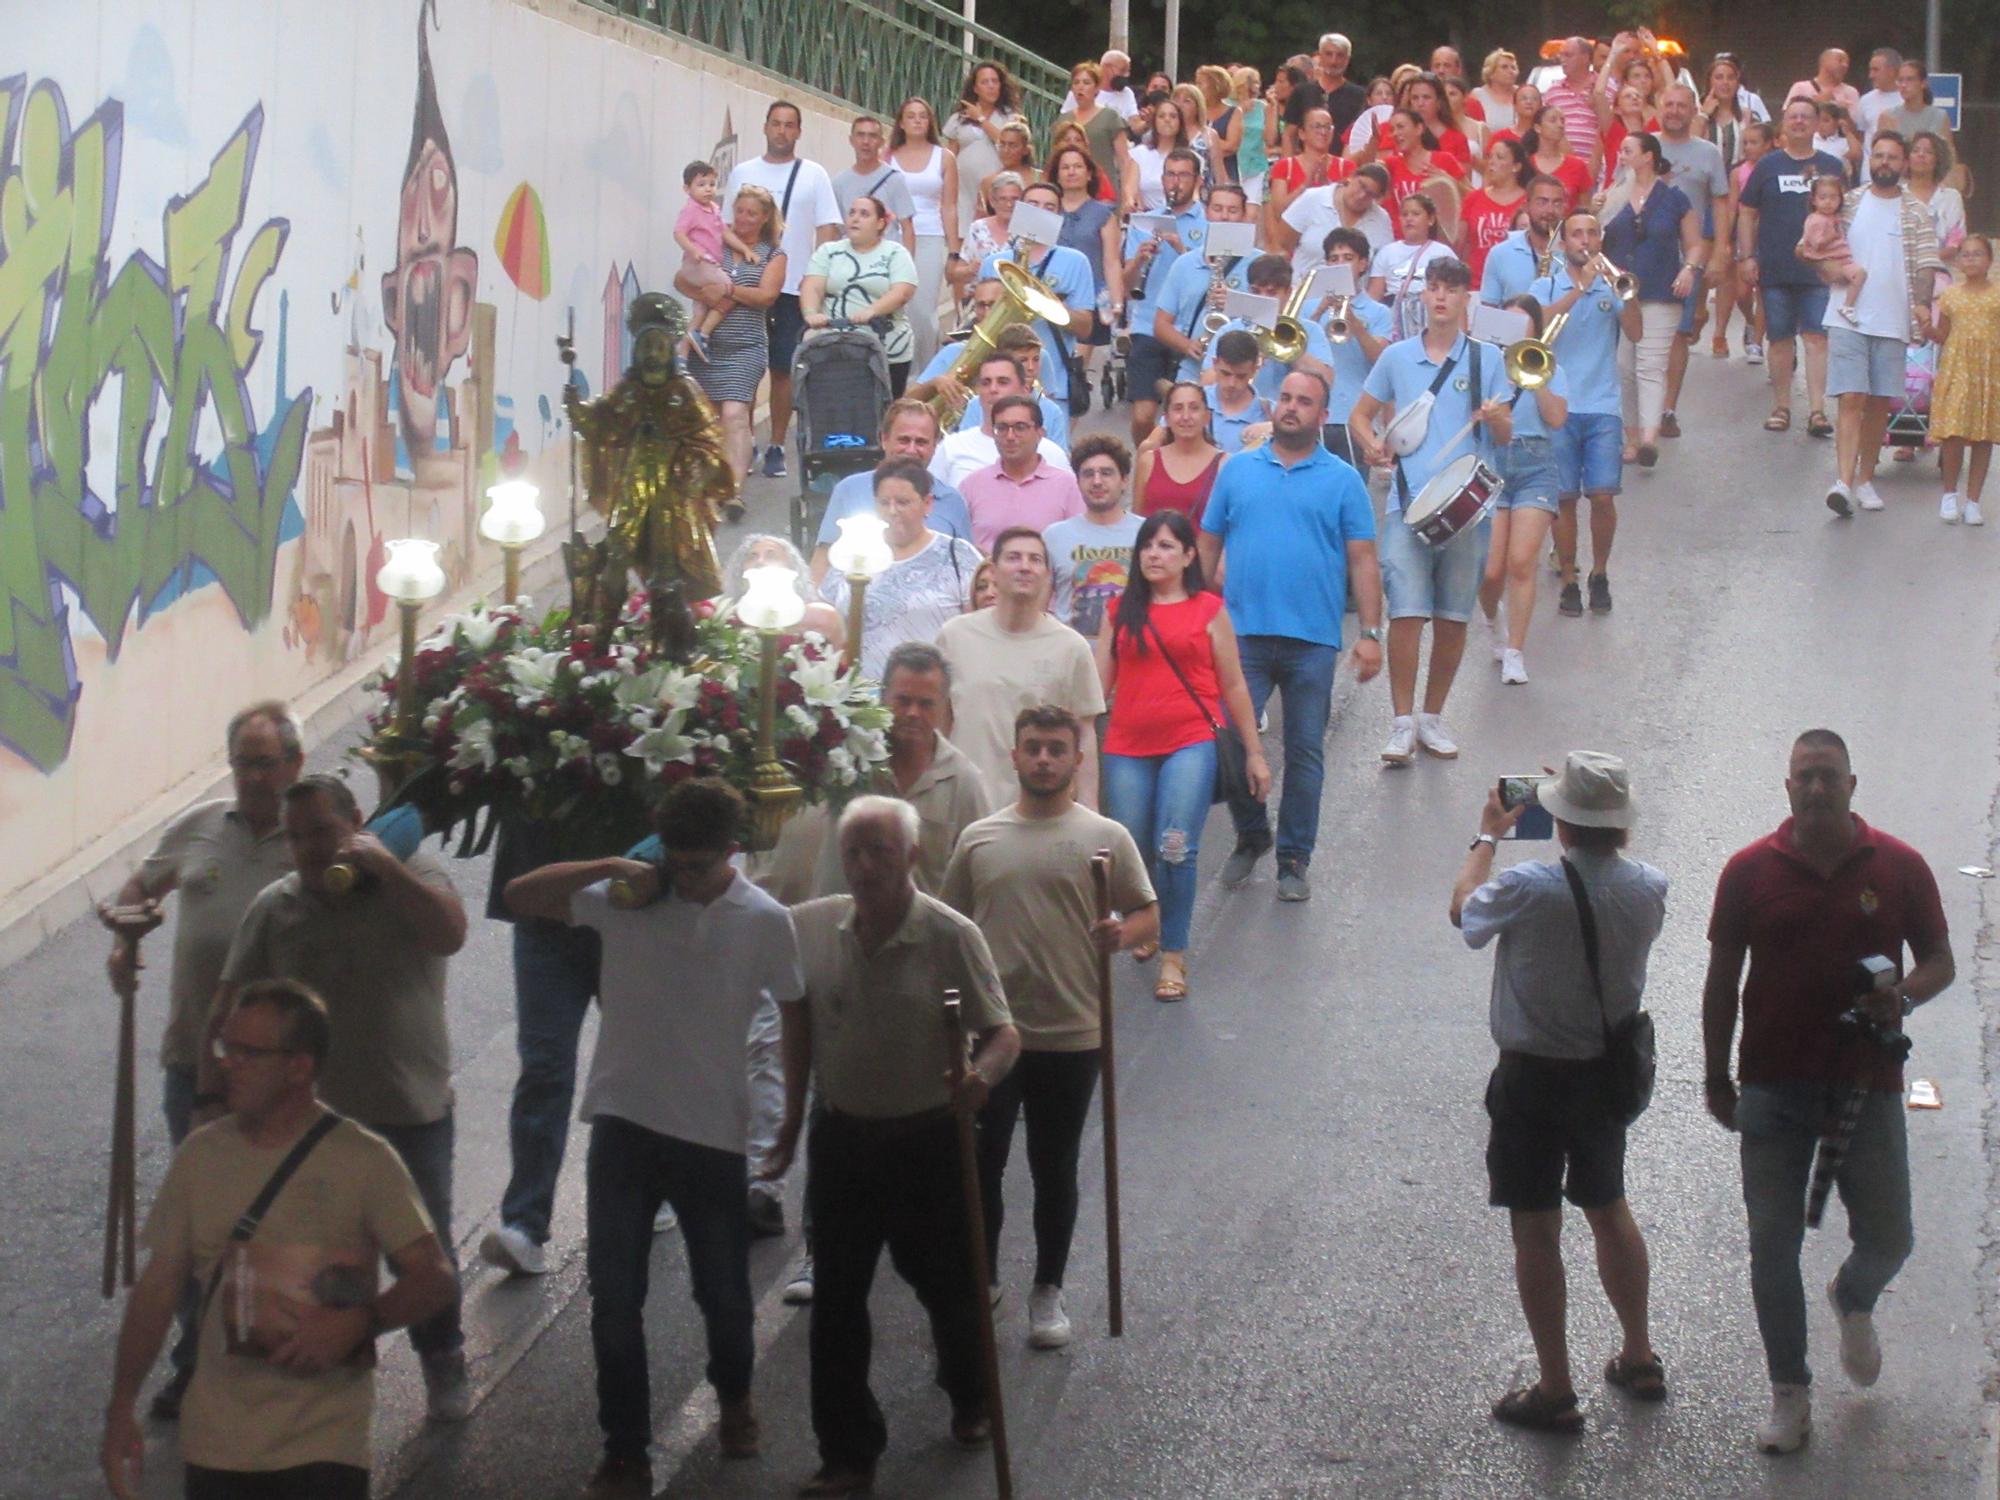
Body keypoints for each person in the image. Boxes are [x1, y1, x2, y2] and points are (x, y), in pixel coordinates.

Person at [503, 779, 804, 1499]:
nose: (686, 878)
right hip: (622, 1124)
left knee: (725, 1295)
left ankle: (735, 1396)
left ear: (732, 852)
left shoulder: (763, 919)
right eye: (675, 860)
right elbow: (521, 896)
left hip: (712, 1135)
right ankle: (624, 1446)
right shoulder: (628, 901)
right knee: (613, 1297)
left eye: (700, 865)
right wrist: (611, 866)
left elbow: (796, 1011)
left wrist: (789, 1117)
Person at [100, 980, 458, 1500]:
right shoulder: (201, 1157)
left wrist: (362, 1321)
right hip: (215, 1445)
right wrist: (120, 1408)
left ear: (300, 1067)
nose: (228, 1063)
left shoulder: (364, 1161)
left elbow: (435, 1278)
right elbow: (157, 1289)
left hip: (323, 1446)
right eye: (227, 1046)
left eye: (250, 1052)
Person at [1701, 729, 1955, 1454]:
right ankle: (1790, 1393)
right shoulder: (1749, 870)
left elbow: (1939, 960)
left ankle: (1853, 1296)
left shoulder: (1899, 866)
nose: (1816, 788)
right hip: (1773, 1087)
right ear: (1787, 789)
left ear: (1852, 785)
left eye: (1829, 777)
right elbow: (1722, 980)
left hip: (1866, 1082)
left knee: (1891, 1236)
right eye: (1804, 777)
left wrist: (1901, 998)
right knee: (1770, 1245)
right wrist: (1717, 1076)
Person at [203, 774, 470, 1422]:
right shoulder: (278, 905)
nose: (310, 849)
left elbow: (450, 933)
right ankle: (330, 1388)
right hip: (314, 1118)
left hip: (409, 1107)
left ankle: (443, 1357)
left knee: (422, 1247)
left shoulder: (414, 877)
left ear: (356, 821)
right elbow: (230, 1005)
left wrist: (386, 867)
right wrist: (211, 1097)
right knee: (322, 1257)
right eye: (296, 838)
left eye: (322, 831)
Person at [781, 797, 1019, 1497]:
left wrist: (980, 1078)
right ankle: (848, 1454)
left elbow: (1004, 1033)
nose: (865, 866)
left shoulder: (950, 934)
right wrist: (790, 1123)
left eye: (880, 850)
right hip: (846, 1139)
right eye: (854, 851)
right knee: (838, 1300)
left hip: (930, 1143)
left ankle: (971, 1393)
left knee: (947, 1286)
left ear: (911, 856)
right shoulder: (814, 929)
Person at [1450, 752, 1669, 1434]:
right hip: (1604, 1074)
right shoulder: (1649, 888)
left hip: (1533, 1078)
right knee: (1608, 1206)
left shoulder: (1529, 888)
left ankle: (1555, 1384)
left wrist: (1487, 835)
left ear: (1563, 824)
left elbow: (1463, 913)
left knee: (1536, 1225)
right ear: (1623, 827)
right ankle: (1638, 1353)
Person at [103, 702, 301, 1420]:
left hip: (282, 1074)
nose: (254, 777)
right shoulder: (199, 828)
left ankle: (274, 1364)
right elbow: (139, 890)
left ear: (294, 766)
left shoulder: (309, 837)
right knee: (196, 1221)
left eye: (267, 763)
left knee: (273, 1224)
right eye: (244, 762)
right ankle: (196, 1363)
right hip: (193, 1058)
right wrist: (125, 943)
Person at [944, 707, 1156, 1344]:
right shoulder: (978, 838)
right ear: (1013, 756)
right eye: (1032, 748)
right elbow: (949, 928)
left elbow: (1150, 915)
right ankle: (984, 1279)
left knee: (1054, 1163)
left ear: (1076, 759)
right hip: (992, 1031)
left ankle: (1048, 1288)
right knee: (982, 1159)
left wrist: (1121, 935)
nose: (1043, 759)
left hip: (1073, 1030)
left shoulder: (1106, 837)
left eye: (1055, 749)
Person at [1198, 370, 1384, 900]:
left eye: (1304, 402)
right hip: (1242, 637)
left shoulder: (1344, 480)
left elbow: (1363, 561)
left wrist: (1371, 632)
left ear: (1323, 417)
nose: (1291, 408)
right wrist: (1192, 617)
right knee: (1232, 742)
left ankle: (1294, 858)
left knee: (1304, 752)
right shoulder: (1236, 472)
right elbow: (1207, 546)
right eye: (1285, 398)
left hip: (1312, 640)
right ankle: (1252, 835)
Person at [1096, 512, 1267, 999]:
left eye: (1168, 546)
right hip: (1127, 744)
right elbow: (1096, 686)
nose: (1155, 554)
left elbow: (1233, 685)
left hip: (1190, 740)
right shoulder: (1118, 610)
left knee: (1176, 844)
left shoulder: (1208, 609)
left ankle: (1174, 952)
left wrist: (1254, 753)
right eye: (1148, 546)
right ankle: (1146, 923)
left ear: (1190, 556)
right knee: (1135, 849)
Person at [1350, 257, 1512, 765]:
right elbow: (1360, 414)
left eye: (1451, 289)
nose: (1441, 298)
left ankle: (1433, 717)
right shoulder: (1397, 357)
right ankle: (1401, 723)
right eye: (1433, 289)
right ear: (1423, 296)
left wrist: (1496, 416)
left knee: (1452, 617)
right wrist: (1373, 443)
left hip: (1468, 509)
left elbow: (1504, 437)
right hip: (1408, 503)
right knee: (1408, 613)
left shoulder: (1487, 360)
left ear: (1467, 298)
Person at [937, 526, 1107, 810]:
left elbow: (1085, 733)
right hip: (962, 804)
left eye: (1035, 560)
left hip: (1039, 810)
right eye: (1014, 557)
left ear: (1047, 575)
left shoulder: (1071, 647)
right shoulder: (953, 637)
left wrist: (1090, 808)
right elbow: (940, 723)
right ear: (994, 569)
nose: (1025, 567)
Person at [1824, 133, 1943, 516]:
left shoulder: (1915, 210)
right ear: (1870, 160)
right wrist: (1828, 268)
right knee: (1851, 397)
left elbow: (1926, 262)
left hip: (1893, 320)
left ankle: (1866, 478)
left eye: (1892, 157)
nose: (1885, 163)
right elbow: (1816, 246)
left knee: (1878, 405)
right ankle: (1843, 481)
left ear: (1904, 163)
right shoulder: (1850, 203)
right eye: (1878, 156)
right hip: (1847, 316)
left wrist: (1923, 306)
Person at [725, 101, 842, 479]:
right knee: (744, 365)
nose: (781, 131)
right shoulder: (743, 172)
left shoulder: (814, 174)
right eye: (775, 124)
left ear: (799, 131)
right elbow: (727, 226)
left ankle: (776, 442)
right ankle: (744, 438)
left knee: (782, 368)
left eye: (789, 125)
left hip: (793, 287)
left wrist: (817, 282)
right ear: (764, 127)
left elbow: (826, 230)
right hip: (745, 283)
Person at [1535, 210, 1639, 616]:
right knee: (1563, 499)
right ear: (1564, 245)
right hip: (1559, 404)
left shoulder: (1613, 284)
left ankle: (1599, 572)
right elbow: (1537, 325)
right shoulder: (1546, 285)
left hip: (1602, 406)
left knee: (1602, 495)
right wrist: (1580, 287)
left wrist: (1626, 295)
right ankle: (1568, 578)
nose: (1585, 241)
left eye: (1592, 234)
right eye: (1576, 234)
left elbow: (1636, 332)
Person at [1737, 99, 1845, 437]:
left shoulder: (1832, 166)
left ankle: (1817, 411)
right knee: (1780, 338)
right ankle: (1781, 406)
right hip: (1775, 268)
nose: (1799, 122)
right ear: (1783, 124)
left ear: (1817, 124)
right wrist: (1747, 255)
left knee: (1817, 338)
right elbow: (1747, 211)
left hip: (1818, 271)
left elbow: (1848, 213)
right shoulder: (1767, 166)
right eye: (1793, 117)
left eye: (1806, 117)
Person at [1477, 293, 1568, 684]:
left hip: (1535, 463)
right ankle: (1493, 620)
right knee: (1490, 568)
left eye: (1523, 324)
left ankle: (1515, 650)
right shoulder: (1484, 364)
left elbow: (1557, 418)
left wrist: (1536, 377)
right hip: (1495, 464)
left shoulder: (1549, 365)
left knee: (1521, 561)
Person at [820, 457, 982, 678]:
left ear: (927, 504)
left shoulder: (957, 555)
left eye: (903, 502)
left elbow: (978, 629)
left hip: (931, 695)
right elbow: (827, 622)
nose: (892, 511)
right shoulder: (851, 554)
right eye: (884, 503)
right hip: (861, 699)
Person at [1601, 133, 1698, 469]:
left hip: (1660, 289)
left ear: (1648, 157)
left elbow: (1695, 244)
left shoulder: (1675, 198)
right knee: (1623, 366)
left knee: (1650, 365)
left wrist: (1689, 268)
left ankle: (1647, 439)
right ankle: (1630, 436)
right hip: (1620, 292)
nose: (1622, 155)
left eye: (1628, 150)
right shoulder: (1613, 196)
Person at [689, 185, 788, 486]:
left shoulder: (772, 253)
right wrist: (708, 293)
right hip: (707, 348)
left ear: (765, 217)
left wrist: (729, 290)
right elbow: (682, 280)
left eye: (752, 213)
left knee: (734, 414)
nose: (744, 219)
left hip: (746, 346)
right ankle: (712, 482)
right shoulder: (713, 241)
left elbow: (766, 296)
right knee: (711, 421)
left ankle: (732, 490)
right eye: (740, 211)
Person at [811, 400, 971, 582]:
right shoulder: (849, 491)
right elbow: (822, 562)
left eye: (921, 442)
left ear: (935, 445)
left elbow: (966, 572)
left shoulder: (952, 500)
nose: (911, 450)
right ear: (884, 439)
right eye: (903, 440)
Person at [977, 181, 1095, 413]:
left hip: (1053, 385)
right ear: (1020, 209)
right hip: (1000, 384)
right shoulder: (994, 263)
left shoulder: (1076, 261)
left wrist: (1044, 303)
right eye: (1032, 205)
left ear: (1059, 215)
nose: (1040, 212)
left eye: (1049, 207)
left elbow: (1085, 328)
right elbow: (980, 321)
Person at [1656, 85, 1731, 434]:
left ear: (1692, 111)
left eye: (1681, 105)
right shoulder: (1642, 145)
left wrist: (1720, 251)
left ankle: (1667, 409)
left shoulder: (1708, 153)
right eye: (1668, 104)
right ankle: (1639, 406)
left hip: (1689, 255)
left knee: (1678, 333)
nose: (1674, 111)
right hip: (1644, 254)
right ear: (1658, 108)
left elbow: (1720, 201)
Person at [1119, 148, 1206, 444]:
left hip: (1190, 329)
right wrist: (1139, 260)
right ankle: (1145, 460)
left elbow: (1212, 274)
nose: (1175, 183)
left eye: (1183, 175)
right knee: (1143, 416)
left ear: (1197, 180)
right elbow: (1126, 285)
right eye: (1170, 174)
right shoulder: (1145, 222)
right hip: (1147, 324)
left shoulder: (1209, 222)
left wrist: (1184, 251)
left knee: (1189, 416)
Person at [800, 197, 920, 395]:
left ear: (880, 223)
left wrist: (872, 311)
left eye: (864, 214)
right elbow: (812, 286)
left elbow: (902, 292)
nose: (855, 219)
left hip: (888, 348)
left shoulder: (895, 253)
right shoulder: (829, 251)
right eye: (852, 213)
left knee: (885, 410)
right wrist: (811, 313)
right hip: (835, 346)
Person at [1199, 253, 1336, 401]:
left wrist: (1288, 348)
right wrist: (1247, 350)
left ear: (1288, 293)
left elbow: (1326, 382)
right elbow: (1206, 383)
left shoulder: (1309, 330)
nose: (1262, 298)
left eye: (1271, 293)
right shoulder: (1230, 330)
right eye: (1256, 292)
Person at [959, 394, 1085, 553]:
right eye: (1002, 428)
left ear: (1040, 433)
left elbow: (1079, 547)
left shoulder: (1068, 486)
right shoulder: (971, 486)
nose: (1010, 436)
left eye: (1020, 427)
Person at [1154, 184, 1254, 383]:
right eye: (1217, 209)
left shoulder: (1259, 263)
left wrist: (1237, 303)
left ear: (1243, 216)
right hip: (1193, 371)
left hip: (1244, 374)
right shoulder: (1184, 264)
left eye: (1232, 210)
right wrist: (1187, 345)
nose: (1224, 217)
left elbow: (1274, 316)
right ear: (1206, 213)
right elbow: (1161, 325)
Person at [1045, 434, 1143, 636]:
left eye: (1106, 473)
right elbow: (1037, 606)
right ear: (1078, 481)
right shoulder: (1053, 537)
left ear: (1124, 480)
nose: (1097, 482)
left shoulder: (1147, 533)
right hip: (1073, 659)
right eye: (1088, 474)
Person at [888, 96, 959, 372]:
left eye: (923, 116)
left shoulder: (945, 157)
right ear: (901, 123)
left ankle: (926, 372)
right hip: (893, 237)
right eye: (911, 116)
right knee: (896, 305)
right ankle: (898, 369)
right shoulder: (889, 156)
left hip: (930, 235)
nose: (917, 120)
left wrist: (954, 252)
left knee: (923, 309)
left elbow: (949, 206)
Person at [1933, 233, 2000, 525]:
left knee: (1983, 435)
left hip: (1989, 370)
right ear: (1958, 261)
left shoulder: (1997, 294)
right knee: (1954, 432)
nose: (1971, 259)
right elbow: (1942, 335)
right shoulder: (1951, 295)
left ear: (1990, 261)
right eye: (1966, 254)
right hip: (1957, 367)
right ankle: (1949, 494)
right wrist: (1925, 326)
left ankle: (1973, 500)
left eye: (1978, 254)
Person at [1311, 229, 1395, 465]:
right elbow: (1293, 348)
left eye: (1347, 258)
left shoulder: (1379, 312)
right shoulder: (1309, 307)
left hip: (1354, 417)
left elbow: (1380, 359)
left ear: (1363, 264)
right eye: (1333, 259)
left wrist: (1354, 323)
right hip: (1314, 417)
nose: (1340, 264)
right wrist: (1318, 311)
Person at [930, 352, 1071, 489]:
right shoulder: (951, 448)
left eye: (1003, 382)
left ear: (1025, 390)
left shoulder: (1052, 454)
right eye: (985, 383)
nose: (993, 389)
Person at [1050, 143, 1124, 393]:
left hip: (1087, 300)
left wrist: (1117, 303)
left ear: (1089, 173)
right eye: (1065, 167)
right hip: (1049, 296)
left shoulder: (1103, 214)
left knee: (1073, 369)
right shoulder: (1045, 208)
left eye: (1078, 166)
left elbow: (1111, 261)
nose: (1071, 172)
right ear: (1057, 174)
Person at [674, 161, 758, 360]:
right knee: (728, 289)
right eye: (701, 185)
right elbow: (679, 233)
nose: (708, 189)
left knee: (701, 309)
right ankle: (703, 334)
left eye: (711, 184)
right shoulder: (691, 210)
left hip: (709, 265)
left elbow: (724, 233)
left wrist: (744, 249)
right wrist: (692, 250)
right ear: (687, 188)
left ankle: (682, 353)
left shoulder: (713, 208)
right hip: (699, 264)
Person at [945, 61, 1023, 238]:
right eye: (985, 82)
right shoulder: (959, 118)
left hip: (996, 193)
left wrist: (980, 118)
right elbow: (950, 155)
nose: (991, 86)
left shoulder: (1010, 117)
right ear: (975, 88)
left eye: (995, 81)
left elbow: (1006, 141)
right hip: (962, 192)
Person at [1276, 164, 1394, 280]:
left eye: (1370, 194)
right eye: (1361, 186)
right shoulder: (1312, 199)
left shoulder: (1381, 219)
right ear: (1352, 177)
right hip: (1303, 291)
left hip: (1354, 297)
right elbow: (1280, 245)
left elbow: (1383, 267)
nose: (1361, 195)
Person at [1135, 382, 1226, 528]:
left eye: (1194, 408)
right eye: (1178, 409)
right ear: (1167, 418)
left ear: (1207, 416)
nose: (1186, 416)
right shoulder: (1148, 461)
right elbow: (1136, 523)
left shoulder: (1225, 465)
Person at [1368, 193, 1456, 340]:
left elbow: (1454, 295)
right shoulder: (1386, 252)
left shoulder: (1444, 253)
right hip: (1394, 323)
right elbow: (1374, 297)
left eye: (1415, 214)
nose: (1409, 218)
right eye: (1404, 214)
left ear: (1430, 220)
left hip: (1431, 322)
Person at [1263, 108, 1353, 249]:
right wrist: (1306, 185)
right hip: (1294, 245)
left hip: (1336, 245)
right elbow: (1279, 212)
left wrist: (1327, 186)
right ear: (1302, 133)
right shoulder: (1285, 167)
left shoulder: (1346, 167)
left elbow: (1351, 210)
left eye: (1327, 127)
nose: (1323, 132)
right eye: (1317, 126)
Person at [1480, 173, 1571, 306]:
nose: (1550, 210)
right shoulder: (1499, 254)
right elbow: (1488, 311)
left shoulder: (1575, 254)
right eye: (1542, 202)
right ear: (1526, 206)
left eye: (1557, 203)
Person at [831, 116, 917, 249]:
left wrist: (907, 265)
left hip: (885, 260)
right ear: (851, 140)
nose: (866, 142)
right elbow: (836, 230)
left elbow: (907, 228)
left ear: (881, 142)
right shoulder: (839, 182)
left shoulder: (894, 179)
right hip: (851, 260)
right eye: (860, 135)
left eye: (872, 136)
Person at [1796, 174, 1866, 325]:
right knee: (1859, 274)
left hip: (1841, 257)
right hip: (1833, 258)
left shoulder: (1834, 217)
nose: (1828, 202)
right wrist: (1831, 236)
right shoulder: (1815, 220)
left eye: (1833, 198)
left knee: (1859, 274)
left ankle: (1848, 304)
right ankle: (1848, 305)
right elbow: (1814, 242)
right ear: (1814, 200)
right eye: (1823, 197)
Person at [1459, 138, 1530, 285]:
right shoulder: (1473, 198)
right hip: (1476, 283)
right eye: (1490, 157)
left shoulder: (1528, 201)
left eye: (1500, 157)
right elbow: (1461, 244)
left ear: (1516, 166)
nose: (1491, 162)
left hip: (1515, 283)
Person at [1058, 61, 1133, 193]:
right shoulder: (1063, 120)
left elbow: (1124, 160)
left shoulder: (1110, 117)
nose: (1080, 87)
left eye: (1086, 83)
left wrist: (1127, 193)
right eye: (1076, 83)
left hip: (1103, 190)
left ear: (1097, 88)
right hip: (1069, 191)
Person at [1202, 330, 1275, 455]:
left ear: (1254, 370)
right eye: (1225, 373)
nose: (1232, 383)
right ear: (1214, 364)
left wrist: (1277, 430)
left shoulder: (1271, 412)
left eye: (1240, 376)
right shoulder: (1194, 400)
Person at [1541, 38, 1605, 175]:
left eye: (1568, 55)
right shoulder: (1552, 91)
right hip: (1561, 172)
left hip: (1599, 172)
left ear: (1586, 58)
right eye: (1561, 55)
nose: (1562, 60)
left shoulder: (1605, 87)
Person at [1126, 96, 1195, 215]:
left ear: (1180, 123)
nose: (1167, 120)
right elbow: (1130, 190)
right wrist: (1132, 204)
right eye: (1162, 116)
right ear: (1154, 122)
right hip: (1147, 216)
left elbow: (1195, 195)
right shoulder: (1139, 154)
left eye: (1173, 116)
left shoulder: (1192, 157)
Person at [1523, 106, 1596, 210]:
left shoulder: (1578, 166)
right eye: (1553, 120)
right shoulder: (1526, 164)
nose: (1560, 125)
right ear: (1537, 128)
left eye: (1562, 121)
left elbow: (1585, 207)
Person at [1880, 60, 1954, 152]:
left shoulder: (1940, 116)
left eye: (1910, 79)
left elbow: (1949, 154)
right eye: (1900, 80)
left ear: (1923, 83)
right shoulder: (1888, 116)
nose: (1903, 85)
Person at [1310, 32, 1369, 138]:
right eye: (1329, 54)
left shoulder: (1359, 96)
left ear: (1347, 60)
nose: (1334, 61)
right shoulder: (1302, 92)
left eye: (1340, 55)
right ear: (1320, 56)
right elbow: (1289, 134)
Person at [1232, 66, 1270, 205]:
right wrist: (1241, 109)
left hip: (1256, 165)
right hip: (1234, 163)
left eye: (1257, 82)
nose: (1256, 86)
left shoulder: (1263, 107)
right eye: (1253, 81)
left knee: (1252, 209)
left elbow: (1270, 137)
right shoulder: (1228, 106)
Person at [1856, 49, 1903, 150]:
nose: (1871, 75)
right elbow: (1860, 135)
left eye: (1875, 70)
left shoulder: (1908, 99)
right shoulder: (1865, 100)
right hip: (1869, 165)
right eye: (1870, 70)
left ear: (1891, 71)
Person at [1788, 49, 1860, 115]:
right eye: (1840, 60)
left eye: (1847, 63)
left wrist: (1841, 110)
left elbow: (1858, 124)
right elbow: (1787, 118)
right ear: (1824, 62)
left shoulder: (1851, 92)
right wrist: (1815, 104)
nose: (1845, 65)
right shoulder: (1801, 87)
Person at [1472, 50, 1523, 135]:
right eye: (1504, 67)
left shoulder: (1523, 93)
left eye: (1513, 67)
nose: (1511, 71)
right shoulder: (1477, 95)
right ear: (1490, 73)